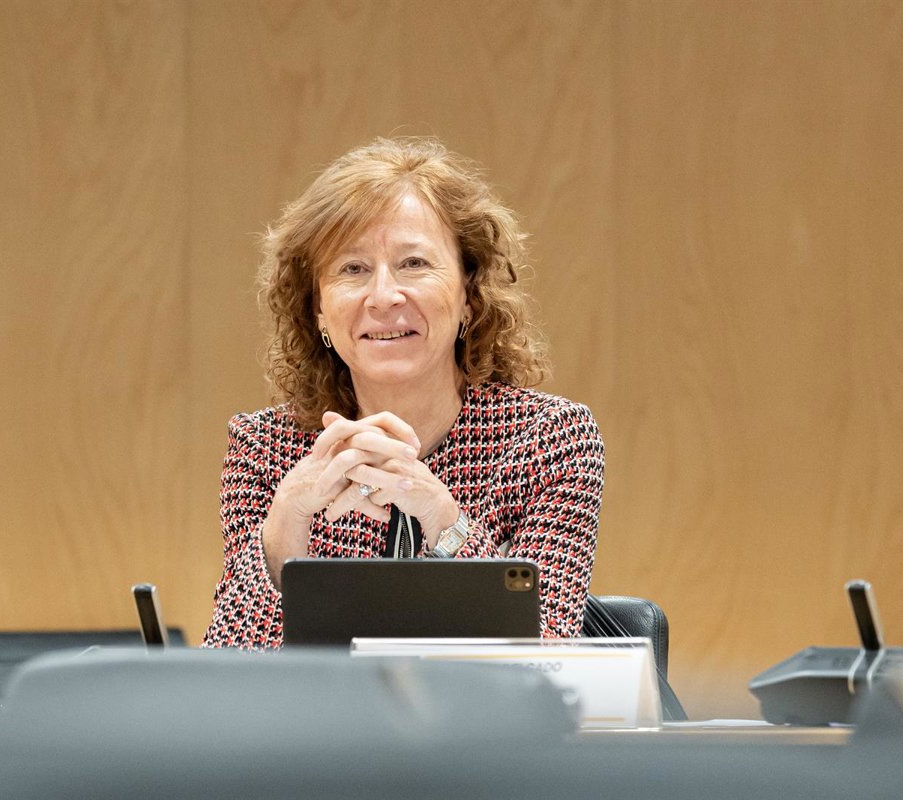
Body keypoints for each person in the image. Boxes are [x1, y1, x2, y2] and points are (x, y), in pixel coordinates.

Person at [203, 137, 603, 649]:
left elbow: (546, 657)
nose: (384, 296)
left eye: (414, 263)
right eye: (353, 269)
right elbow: (229, 676)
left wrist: (443, 519)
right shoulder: (264, 449)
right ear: (318, 309)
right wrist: (283, 535)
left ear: (469, 294)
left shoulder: (549, 441)